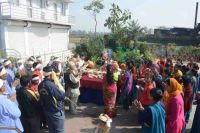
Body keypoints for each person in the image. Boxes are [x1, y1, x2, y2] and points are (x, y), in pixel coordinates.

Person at [39, 66, 65, 133]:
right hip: (55, 111)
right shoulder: (51, 85)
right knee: (59, 130)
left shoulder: (41, 84)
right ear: (51, 74)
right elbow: (61, 96)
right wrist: (58, 83)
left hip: (47, 110)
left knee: (51, 129)